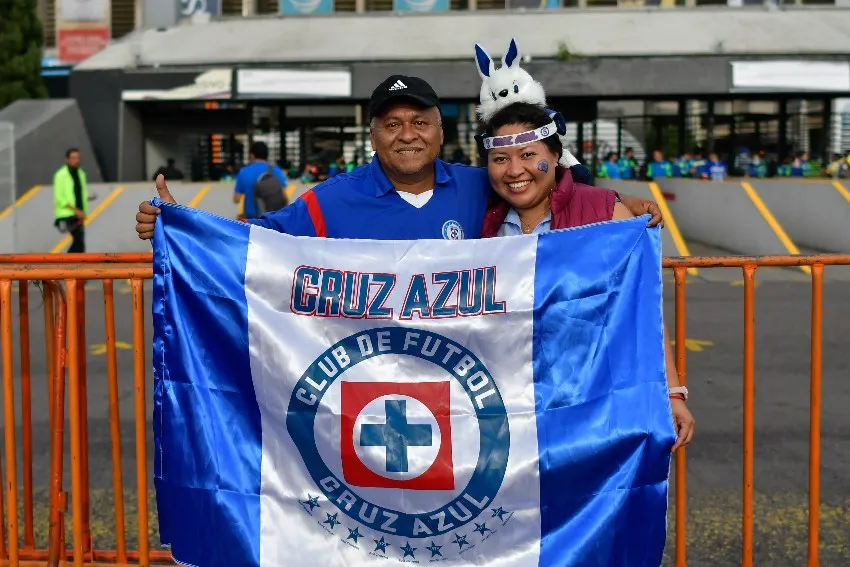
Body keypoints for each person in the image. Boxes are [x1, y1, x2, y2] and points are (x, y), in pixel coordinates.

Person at [136, 75, 663, 241]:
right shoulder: (329, 201)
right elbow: (252, 239)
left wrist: (617, 202)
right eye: (391, 124)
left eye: (419, 122)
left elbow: (538, 181)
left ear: (440, 132)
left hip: (471, 389)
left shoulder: (479, 185)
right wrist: (178, 225)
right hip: (368, 394)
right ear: (372, 136)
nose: (406, 135)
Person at [478, 102, 694, 451]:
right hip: (505, 405)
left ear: (556, 155)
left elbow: (641, 310)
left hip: (592, 403)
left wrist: (672, 393)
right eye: (500, 159)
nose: (515, 170)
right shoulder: (478, 220)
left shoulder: (607, 213)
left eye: (529, 155)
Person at [232, 141, 288, 220]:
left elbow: (236, 199)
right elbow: (284, 197)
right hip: (272, 219)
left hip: (252, 219)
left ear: (252, 155)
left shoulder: (244, 172)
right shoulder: (276, 170)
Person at [53, 148, 95, 253]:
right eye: (73, 158)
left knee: (80, 244)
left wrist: (88, 197)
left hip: (79, 214)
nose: (76, 160)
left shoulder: (81, 174)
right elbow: (59, 198)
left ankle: (71, 262)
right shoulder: (61, 175)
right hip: (68, 214)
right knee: (78, 241)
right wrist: (75, 210)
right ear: (67, 159)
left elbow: (79, 192)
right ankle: (64, 261)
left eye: (78, 158)